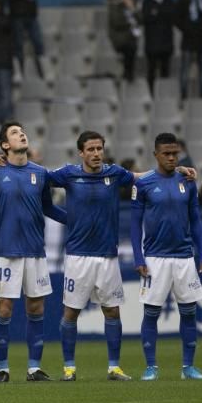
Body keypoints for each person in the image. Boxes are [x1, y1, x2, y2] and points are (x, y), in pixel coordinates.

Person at [46, 131, 139, 382]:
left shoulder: (115, 173)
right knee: (70, 313)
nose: (96, 153)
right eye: (91, 149)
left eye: (99, 148)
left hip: (108, 256)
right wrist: (65, 218)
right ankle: (69, 368)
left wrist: (175, 173)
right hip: (78, 257)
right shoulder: (68, 174)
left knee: (112, 312)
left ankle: (114, 367)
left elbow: (140, 178)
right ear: (81, 153)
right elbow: (38, 181)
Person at [0, 122, 67, 382]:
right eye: (15, 133)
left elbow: (48, 208)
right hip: (7, 251)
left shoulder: (40, 173)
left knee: (36, 308)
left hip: (35, 251)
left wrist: (76, 220)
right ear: (5, 145)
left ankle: (33, 368)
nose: (22, 134)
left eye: (22, 131)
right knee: (4, 309)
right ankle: (3, 368)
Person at [131, 132, 202, 381]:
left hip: (185, 257)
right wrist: (138, 258)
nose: (172, 158)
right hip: (155, 258)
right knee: (151, 314)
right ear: (155, 155)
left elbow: (196, 220)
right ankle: (151, 367)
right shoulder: (143, 183)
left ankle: (188, 367)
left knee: (189, 313)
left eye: (175, 153)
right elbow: (134, 224)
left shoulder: (187, 181)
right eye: (166, 153)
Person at [5, 0, 44, 80]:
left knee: (38, 43)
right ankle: (19, 71)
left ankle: (43, 69)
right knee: (18, 44)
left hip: (31, 13)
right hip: (17, 15)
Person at [142, 0, 176, 93]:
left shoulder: (169, 2)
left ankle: (164, 94)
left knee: (165, 71)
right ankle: (151, 94)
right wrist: (159, 14)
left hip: (166, 44)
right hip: (151, 44)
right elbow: (146, 18)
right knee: (151, 71)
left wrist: (157, 13)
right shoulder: (146, 2)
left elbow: (171, 17)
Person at [108, 0, 142, 83]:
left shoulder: (133, 6)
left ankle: (128, 74)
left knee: (132, 47)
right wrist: (130, 23)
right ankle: (127, 74)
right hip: (119, 39)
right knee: (129, 47)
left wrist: (132, 9)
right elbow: (117, 22)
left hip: (131, 40)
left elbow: (140, 20)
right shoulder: (115, 7)